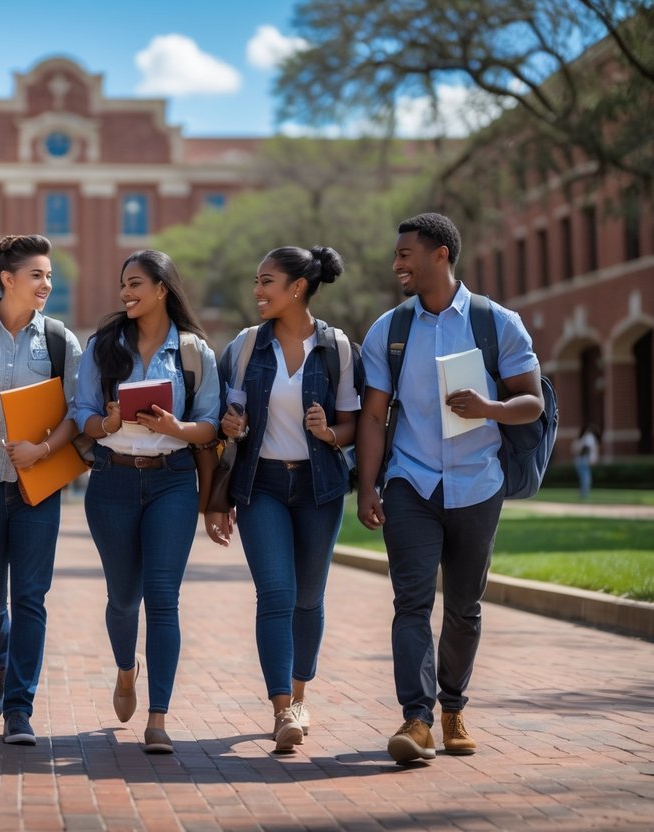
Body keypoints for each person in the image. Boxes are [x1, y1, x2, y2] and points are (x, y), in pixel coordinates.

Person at [355, 213, 543, 764]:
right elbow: (371, 417)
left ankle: (453, 706)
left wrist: (489, 407)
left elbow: (531, 400)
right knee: (411, 601)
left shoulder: (496, 322)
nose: (397, 265)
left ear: (441, 254)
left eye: (406, 255)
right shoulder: (389, 330)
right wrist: (367, 487)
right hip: (411, 481)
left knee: (464, 607)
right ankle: (417, 719)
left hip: (478, 482)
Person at [204, 246, 359, 753]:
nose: (257, 291)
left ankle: (298, 693)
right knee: (275, 593)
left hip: (320, 488)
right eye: (256, 281)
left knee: (308, 597)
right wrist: (233, 428)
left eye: (266, 281)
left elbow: (352, 423)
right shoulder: (246, 347)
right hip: (262, 486)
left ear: (297, 287)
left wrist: (330, 433)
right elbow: (228, 420)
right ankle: (281, 709)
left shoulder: (336, 348)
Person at [74, 249, 220, 754]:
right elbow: (83, 415)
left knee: (162, 598)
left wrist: (175, 428)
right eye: (123, 285)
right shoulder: (102, 347)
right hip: (112, 482)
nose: (126, 293)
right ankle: (125, 668)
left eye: (135, 283)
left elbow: (210, 423)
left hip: (172, 482)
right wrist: (109, 424)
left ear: (163, 289)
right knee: (122, 598)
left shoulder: (194, 350)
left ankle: (158, 718)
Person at [0, 234, 83, 746]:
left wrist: (42, 453)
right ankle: (3, 660)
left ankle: (19, 708)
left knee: (30, 597)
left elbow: (77, 413)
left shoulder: (58, 339)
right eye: (37, 276)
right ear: (8, 279)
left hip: (37, 489)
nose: (47, 284)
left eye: (49, 276)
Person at [571, 425, 599, 500]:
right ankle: (584, 494)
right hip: (583, 460)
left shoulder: (582, 438)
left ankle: (583, 494)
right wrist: (591, 458)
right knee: (586, 478)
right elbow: (587, 448)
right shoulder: (589, 437)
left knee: (584, 478)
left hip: (580, 460)